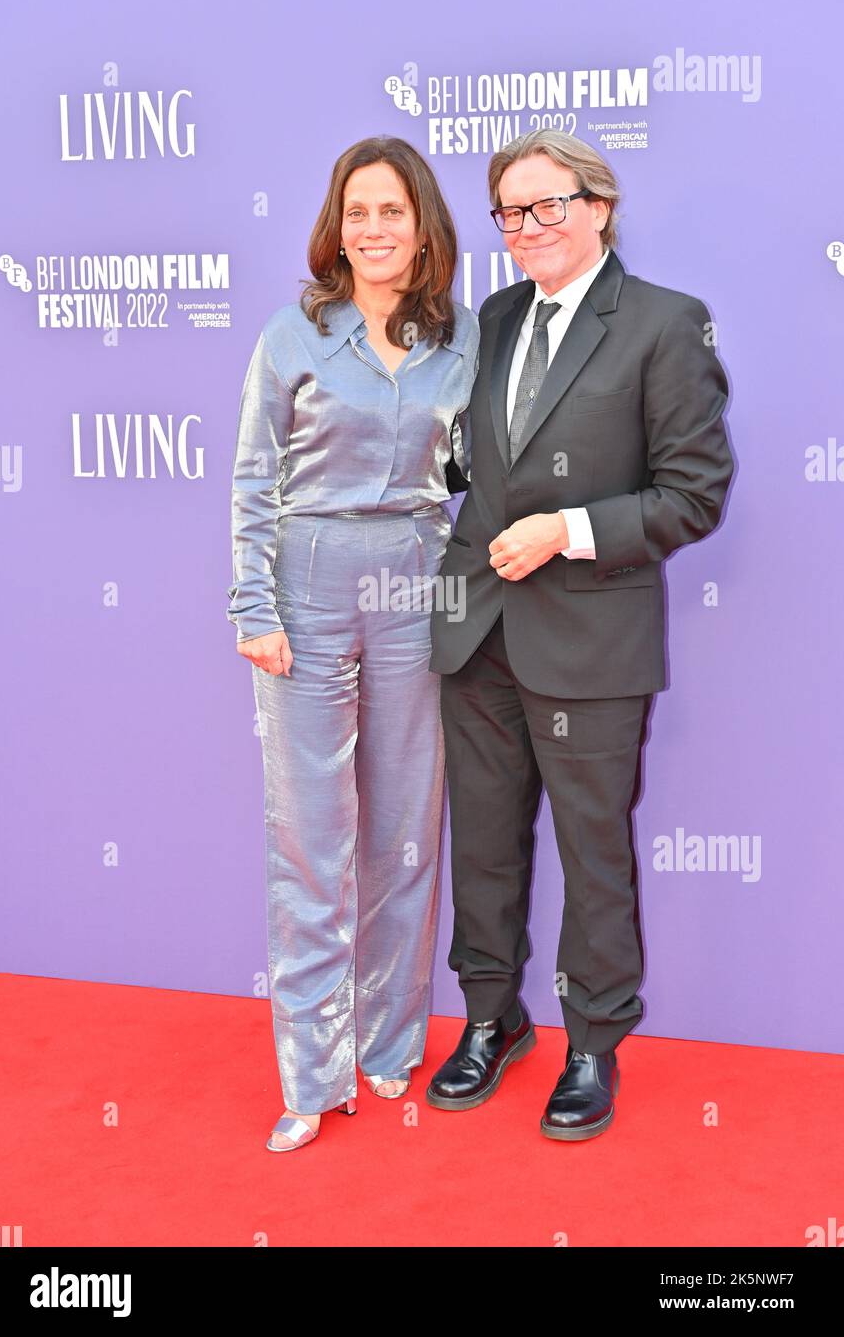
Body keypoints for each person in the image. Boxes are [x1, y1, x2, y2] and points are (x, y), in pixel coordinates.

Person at [426, 129, 734, 1140]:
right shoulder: (496, 318)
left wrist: (569, 530)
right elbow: (479, 464)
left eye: (548, 205)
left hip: (593, 646)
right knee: (482, 846)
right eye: (510, 212)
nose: (527, 229)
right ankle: (490, 1016)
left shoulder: (664, 323)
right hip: (480, 635)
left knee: (594, 854)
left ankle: (594, 1043)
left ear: (599, 205)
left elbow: (694, 495)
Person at [226, 136, 479, 1152]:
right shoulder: (293, 334)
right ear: (339, 226)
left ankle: (387, 1044)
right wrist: (254, 606)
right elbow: (252, 479)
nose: (375, 229)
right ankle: (311, 1074)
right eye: (358, 211)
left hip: (416, 581)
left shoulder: (458, 340)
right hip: (310, 579)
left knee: (407, 829)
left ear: (423, 226)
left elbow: (475, 469)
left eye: (392, 211)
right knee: (309, 838)